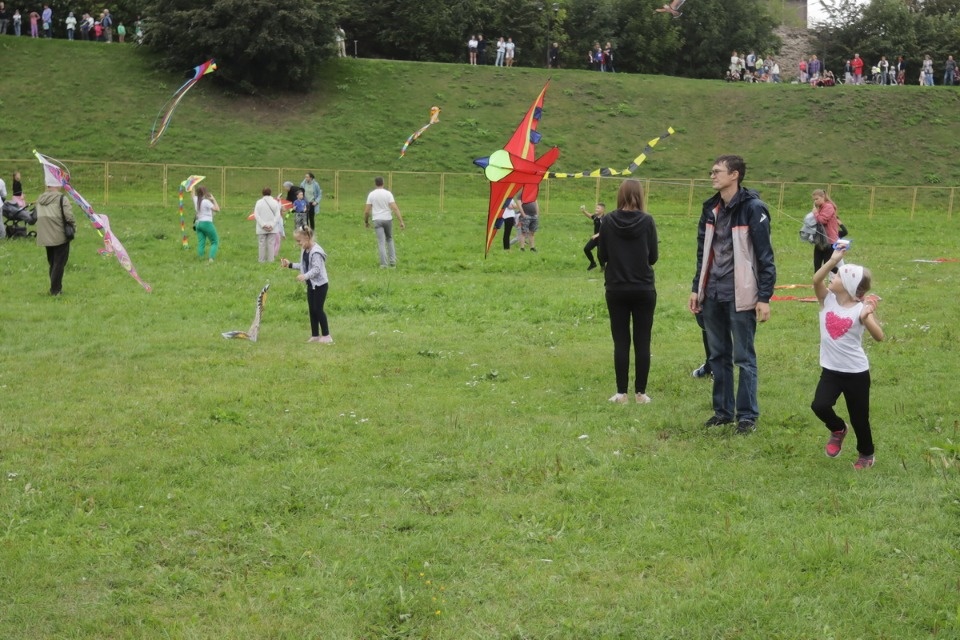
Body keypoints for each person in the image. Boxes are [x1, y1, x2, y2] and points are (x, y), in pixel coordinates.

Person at [688, 155, 776, 434]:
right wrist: (696, 288)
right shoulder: (710, 208)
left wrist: (764, 297)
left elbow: (765, 257)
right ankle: (723, 412)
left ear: (734, 175)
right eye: (711, 171)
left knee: (744, 358)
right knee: (718, 356)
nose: (712, 176)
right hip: (712, 293)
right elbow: (703, 253)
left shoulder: (754, 209)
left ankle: (747, 415)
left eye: (717, 172)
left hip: (742, 295)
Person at [811, 247, 884, 470]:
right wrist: (833, 260)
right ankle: (838, 428)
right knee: (819, 405)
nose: (834, 275)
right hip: (831, 370)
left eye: (840, 275)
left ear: (850, 286)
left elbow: (879, 336)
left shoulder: (861, 309)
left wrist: (867, 317)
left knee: (859, 418)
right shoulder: (828, 300)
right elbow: (816, 280)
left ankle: (866, 454)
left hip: (856, 373)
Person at [597, 180, 658, 404]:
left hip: (616, 287)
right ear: (640, 196)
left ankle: (621, 393)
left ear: (619, 195)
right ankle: (641, 393)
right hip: (643, 287)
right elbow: (653, 257)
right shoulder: (648, 221)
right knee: (643, 341)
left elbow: (602, 255)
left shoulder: (608, 221)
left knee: (621, 341)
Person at [281, 226, 333, 344]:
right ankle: (315, 335)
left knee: (318, 309)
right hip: (311, 285)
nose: (298, 243)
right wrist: (289, 265)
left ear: (307, 237)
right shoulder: (305, 249)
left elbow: (316, 269)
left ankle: (326, 335)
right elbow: (304, 266)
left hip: (320, 285)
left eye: (299, 241)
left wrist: (305, 276)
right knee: (312, 310)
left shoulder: (316, 252)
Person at [35, 167, 76, 296]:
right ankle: (55, 290)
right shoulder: (61, 199)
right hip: (60, 235)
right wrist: (74, 227)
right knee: (59, 264)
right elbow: (69, 216)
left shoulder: (40, 199)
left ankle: (55, 287)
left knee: (52, 263)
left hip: (45, 236)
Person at [363, 176, 405, 268]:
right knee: (389, 239)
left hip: (377, 220)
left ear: (375, 184)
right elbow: (394, 208)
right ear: (383, 183)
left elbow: (366, 211)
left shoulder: (371, 194)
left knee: (381, 242)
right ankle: (392, 262)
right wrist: (401, 221)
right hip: (388, 219)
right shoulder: (388, 194)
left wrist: (366, 221)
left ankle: (383, 264)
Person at [811, 189, 840, 272]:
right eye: (814, 200)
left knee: (828, 265)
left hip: (829, 240)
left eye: (817, 199)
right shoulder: (820, 207)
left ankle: (844, 275)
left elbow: (822, 220)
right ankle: (817, 284)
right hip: (820, 239)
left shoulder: (829, 206)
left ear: (823, 197)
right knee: (817, 263)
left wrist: (815, 213)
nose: (815, 201)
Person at [253, 187, 282, 263]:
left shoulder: (259, 202)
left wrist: (263, 225)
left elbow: (256, 215)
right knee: (271, 244)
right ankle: (271, 260)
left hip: (261, 227)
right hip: (272, 228)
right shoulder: (275, 202)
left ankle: (261, 260)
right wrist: (272, 225)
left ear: (262, 193)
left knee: (261, 244)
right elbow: (277, 215)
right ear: (270, 193)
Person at [193, 185, 220, 262]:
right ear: (205, 192)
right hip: (207, 223)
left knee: (201, 242)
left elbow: (192, 193)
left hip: (198, 224)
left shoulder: (196, 200)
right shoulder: (206, 202)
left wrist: (192, 184)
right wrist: (213, 199)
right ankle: (211, 258)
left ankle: (200, 258)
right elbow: (217, 209)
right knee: (215, 241)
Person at [580, 202, 606, 270]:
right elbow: (590, 216)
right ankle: (593, 263)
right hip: (595, 238)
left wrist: (597, 235)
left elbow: (605, 230)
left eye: (598, 208)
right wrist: (584, 211)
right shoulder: (596, 217)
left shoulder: (604, 219)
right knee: (586, 249)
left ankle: (603, 267)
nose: (596, 209)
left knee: (599, 254)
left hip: (602, 239)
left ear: (602, 210)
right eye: (596, 208)